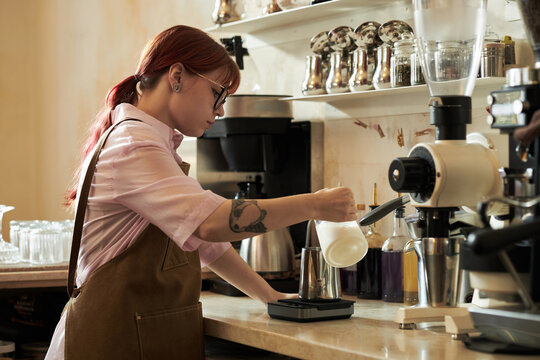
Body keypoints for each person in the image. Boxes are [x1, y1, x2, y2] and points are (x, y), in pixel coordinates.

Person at [45, 25, 357, 360]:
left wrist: (268, 295)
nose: (221, 109)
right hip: (108, 341)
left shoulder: (151, 143)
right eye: (217, 93)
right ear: (177, 75)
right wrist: (313, 204)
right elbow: (210, 224)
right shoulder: (134, 145)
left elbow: (206, 241)